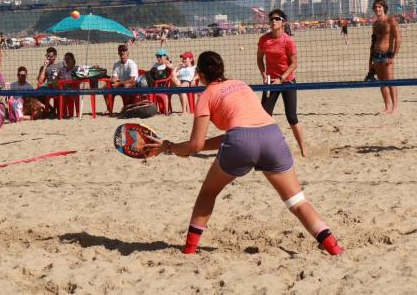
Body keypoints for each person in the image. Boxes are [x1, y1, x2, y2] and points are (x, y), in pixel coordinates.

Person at [144, 51, 343, 256]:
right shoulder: (241, 85)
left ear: (199, 74)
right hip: (272, 136)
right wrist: (185, 146)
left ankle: (189, 249)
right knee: (297, 201)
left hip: (241, 142)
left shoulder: (206, 96)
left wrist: (168, 147)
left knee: (208, 193)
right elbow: (237, 133)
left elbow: (196, 145)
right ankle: (333, 247)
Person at [256, 9, 307, 157]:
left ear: (283, 22)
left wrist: (282, 78)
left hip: (288, 80)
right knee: (264, 116)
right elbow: (259, 59)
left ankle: (303, 150)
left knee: (291, 117)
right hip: (271, 81)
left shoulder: (288, 40)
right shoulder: (264, 39)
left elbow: (294, 63)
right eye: (271, 19)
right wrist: (264, 74)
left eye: (277, 19)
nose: (273, 21)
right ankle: (263, 149)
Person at [368, 0, 401, 114]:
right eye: (376, 7)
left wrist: (393, 56)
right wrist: (370, 63)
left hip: (387, 55)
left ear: (384, 8)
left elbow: (398, 38)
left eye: (380, 7)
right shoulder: (375, 23)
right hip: (376, 56)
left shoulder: (391, 20)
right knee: (382, 83)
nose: (377, 9)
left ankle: (394, 108)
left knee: (390, 82)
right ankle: (387, 107)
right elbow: (373, 43)